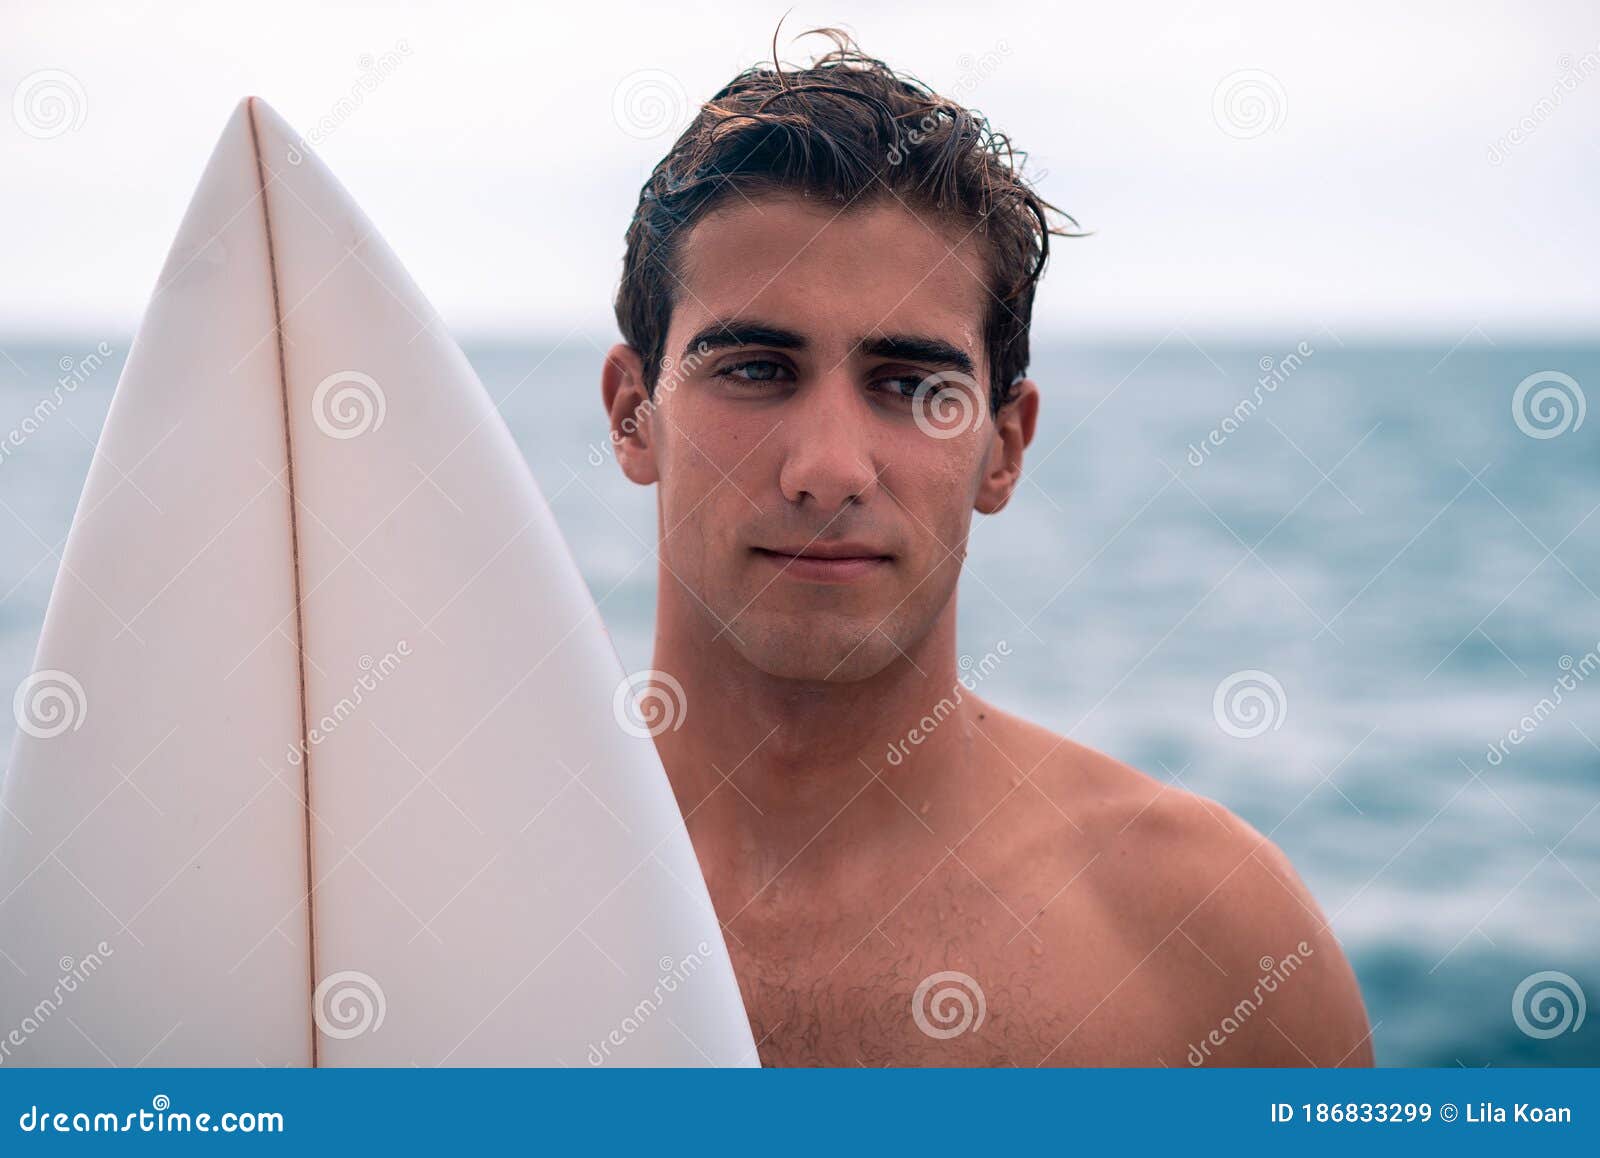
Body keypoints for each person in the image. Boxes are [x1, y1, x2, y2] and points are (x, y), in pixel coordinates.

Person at [600, 28, 1374, 1066]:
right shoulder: (423, 874)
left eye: (912, 385)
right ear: (631, 415)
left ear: (1003, 447)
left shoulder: (1212, 943)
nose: (828, 468)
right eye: (753, 369)